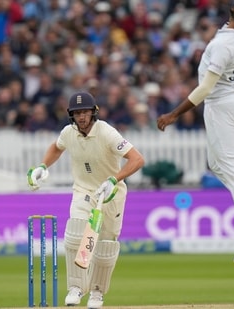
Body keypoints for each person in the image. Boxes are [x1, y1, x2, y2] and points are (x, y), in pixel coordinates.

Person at [156, 1, 234, 265]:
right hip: (232, 102)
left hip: (221, 105)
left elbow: (204, 89)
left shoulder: (224, 45)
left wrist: (173, 115)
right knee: (217, 164)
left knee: (232, 166)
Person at [27, 91, 145, 308]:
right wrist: (43, 166)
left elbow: (137, 159)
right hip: (83, 190)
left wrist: (114, 179)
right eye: (77, 113)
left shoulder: (107, 133)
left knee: (106, 246)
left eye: (85, 112)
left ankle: (97, 293)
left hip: (111, 193)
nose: (82, 117)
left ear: (93, 113)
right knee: (76, 231)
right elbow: (56, 147)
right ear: (71, 115)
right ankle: (76, 287)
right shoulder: (68, 132)